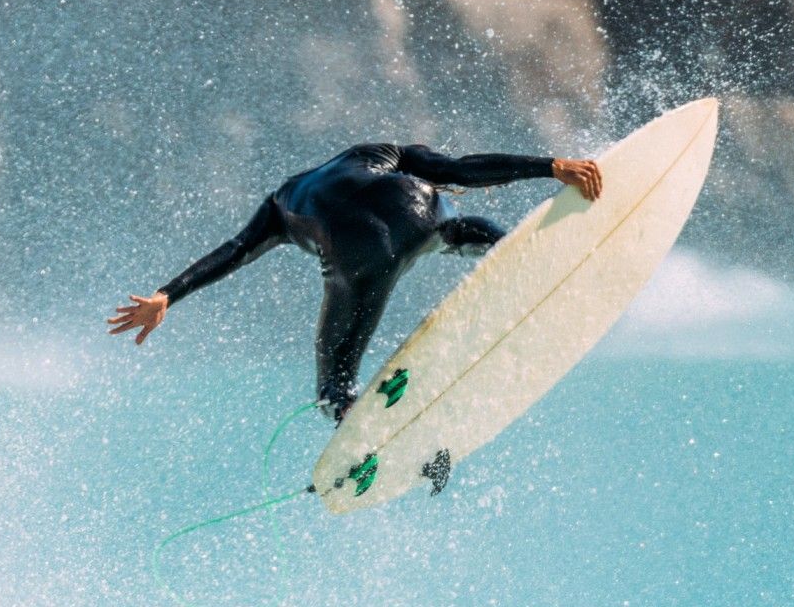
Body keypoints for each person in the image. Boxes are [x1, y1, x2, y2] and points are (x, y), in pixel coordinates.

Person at [109, 142, 604, 420]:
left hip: (357, 260)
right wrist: (550, 167)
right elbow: (459, 168)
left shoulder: (279, 207)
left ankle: (345, 410)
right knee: (452, 226)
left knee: (334, 373)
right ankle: (510, 254)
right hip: (414, 211)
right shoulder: (380, 151)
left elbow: (234, 252)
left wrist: (166, 294)